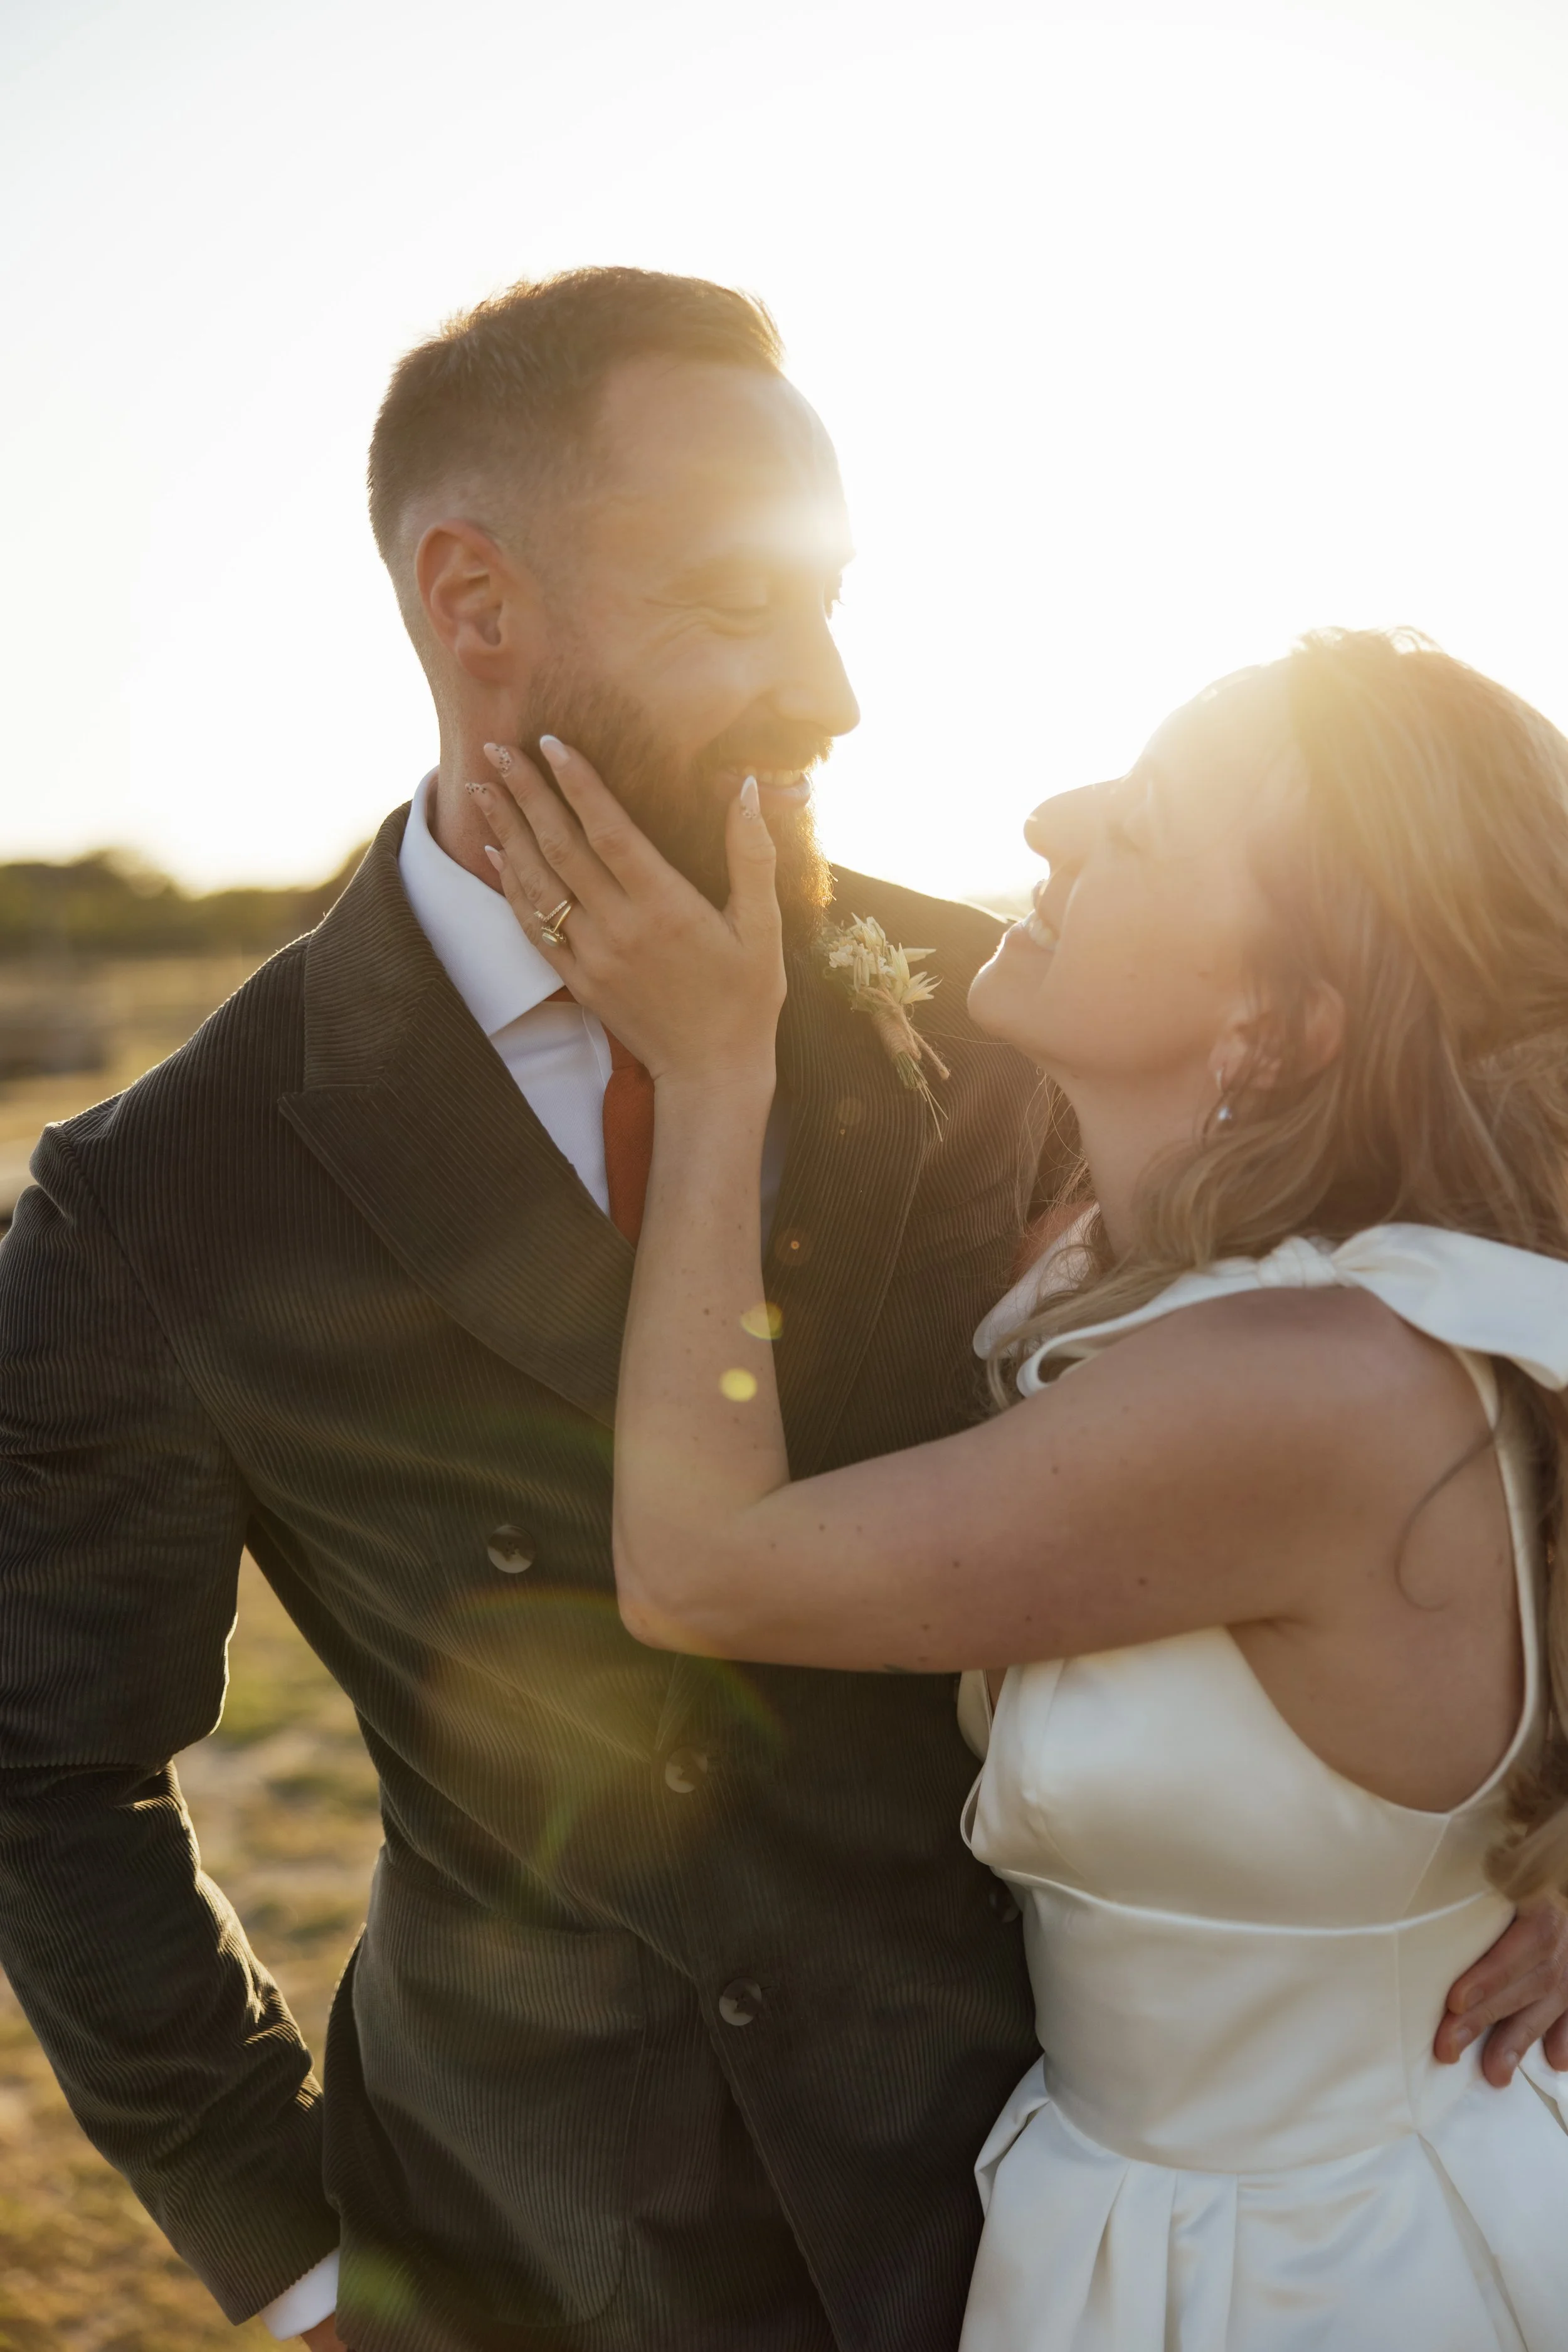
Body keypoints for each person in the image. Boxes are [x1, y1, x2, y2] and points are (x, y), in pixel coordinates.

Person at [474, 624, 1568, 2349]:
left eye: (1135, 826)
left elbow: (698, 1570)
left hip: (1324, 2270)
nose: (1051, 814)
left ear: (1276, 1021)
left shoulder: (1301, 1381)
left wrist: (711, 1067)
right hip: (1127, 2211)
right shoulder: (1153, 1280)